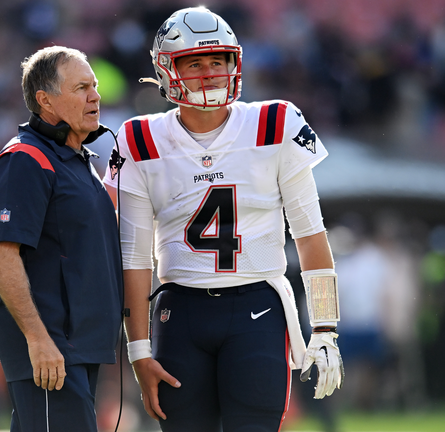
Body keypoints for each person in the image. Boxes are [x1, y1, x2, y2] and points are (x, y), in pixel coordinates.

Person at [103, 7, 344, 431]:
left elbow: (309, 233)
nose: (210, 72)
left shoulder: (276, 123)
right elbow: (134, 258)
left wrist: (325, 328)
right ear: (166, 69)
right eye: (193, 63)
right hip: (179, 312)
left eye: (219, 61)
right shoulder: (139, 139)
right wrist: (138, 351)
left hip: (258, 307)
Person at [0, 45, 123, 432]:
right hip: (52, 352)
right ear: (45, 100)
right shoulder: (25, 160)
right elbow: (2, 256)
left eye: (94, 86)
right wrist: (39, 340)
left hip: (75, 351)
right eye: (81, 87)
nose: (95, 96)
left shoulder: (76, 161)